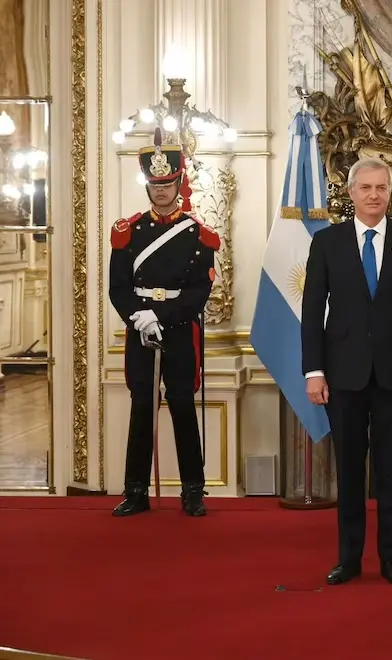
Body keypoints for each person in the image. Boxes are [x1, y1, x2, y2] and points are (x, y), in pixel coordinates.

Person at [301, 158, 392, 586]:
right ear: (351, 192)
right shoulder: (327, 242)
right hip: (343, 375)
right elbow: (312, 311)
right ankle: (348, 558)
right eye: (366, 187)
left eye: (381, 187)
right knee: (349, 470)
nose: (374, 195)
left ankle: (391, 557)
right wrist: (313, 371)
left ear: (390, 192)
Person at [109, 127, 219, 517]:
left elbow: (198, 293)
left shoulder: (199, 235)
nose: (161, 191)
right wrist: (139, 319)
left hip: (179, 329)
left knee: (183, 406)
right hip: (140, 330)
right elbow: (118, 288)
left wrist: (160, 315)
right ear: (148, 186)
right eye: (155, 185)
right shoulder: (127, 232)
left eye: (167, 184)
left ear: (178, 183)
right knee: (142, 406)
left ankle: (193, 491)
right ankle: (135, 491)